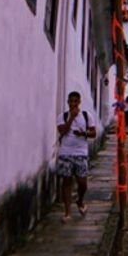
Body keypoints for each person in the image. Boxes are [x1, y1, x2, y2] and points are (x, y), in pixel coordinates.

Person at [56, 91, 96, 222]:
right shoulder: (62, 116)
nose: (73, 104)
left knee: (82, 183)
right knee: (66, 182)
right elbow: (63, 131)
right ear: (68, 102)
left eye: (75, 101)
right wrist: (71, 118)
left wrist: (83, 133)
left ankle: (80, 201)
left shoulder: (86, 116)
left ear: (79, 102)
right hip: (66, 153)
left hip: (81, 153)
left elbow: (93, 133)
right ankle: (67, 212)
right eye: (71, 101)